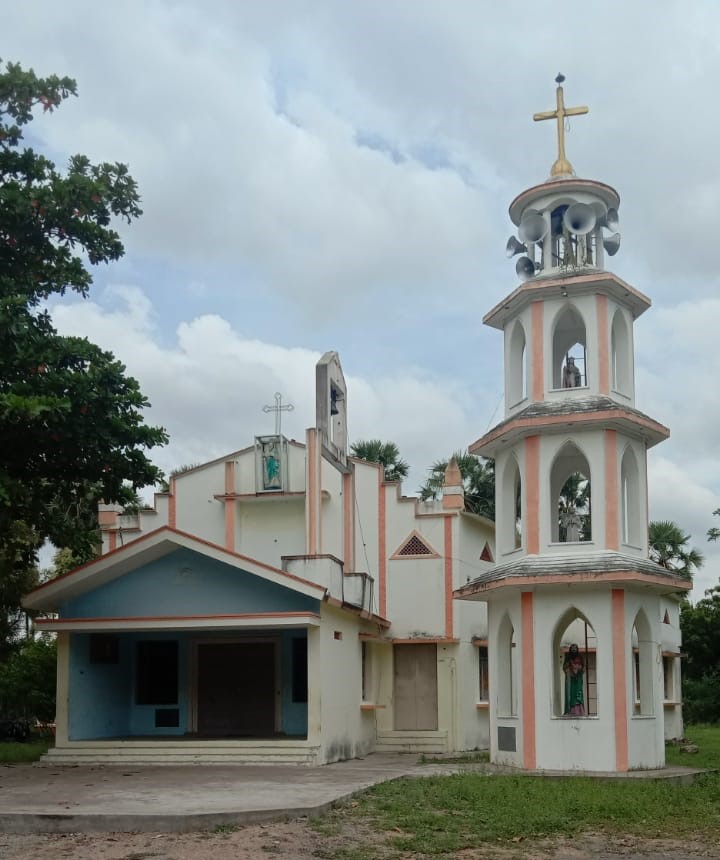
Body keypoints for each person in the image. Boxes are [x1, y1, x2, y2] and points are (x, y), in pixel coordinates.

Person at [563, 644, 585, 716]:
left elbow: (583, 667)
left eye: (575, 648)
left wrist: (578, 669)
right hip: (570, 679)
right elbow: (564, 667)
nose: (574, 649)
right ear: (570, 649)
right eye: (572, 648)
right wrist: (570, 670)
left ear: (577, 649)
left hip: (578, 679)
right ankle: (570, 711)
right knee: (570, 694)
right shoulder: (567, 658)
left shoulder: (580, 657)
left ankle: (579, 711)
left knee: (578, 695)